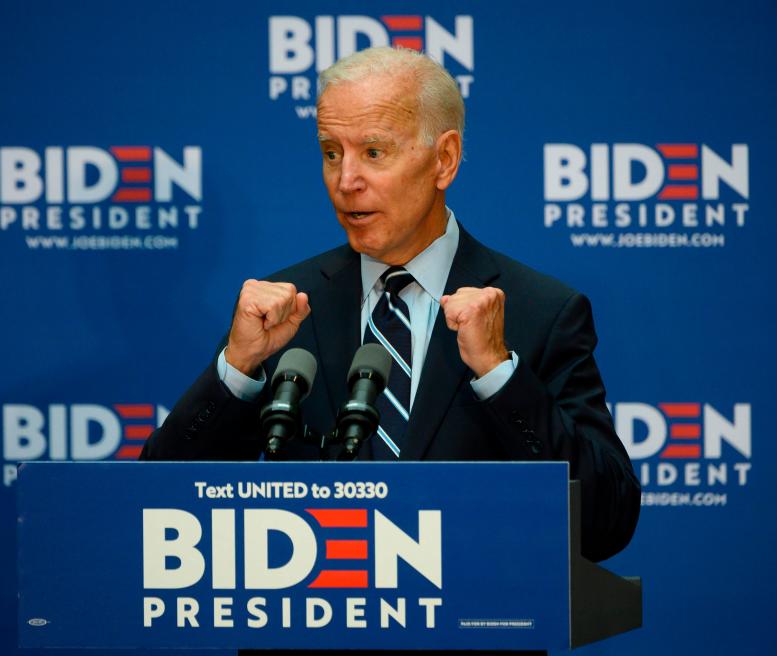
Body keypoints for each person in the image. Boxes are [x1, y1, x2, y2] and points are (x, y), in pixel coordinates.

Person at [141, 46, 639, 564]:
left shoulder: (542, 311)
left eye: (373, 153)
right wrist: (237, 371)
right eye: (332, 152)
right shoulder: (281, 310)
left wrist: (499, 375)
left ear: (443, 160)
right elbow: (154, 507)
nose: (345, 180)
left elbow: (606, 523)